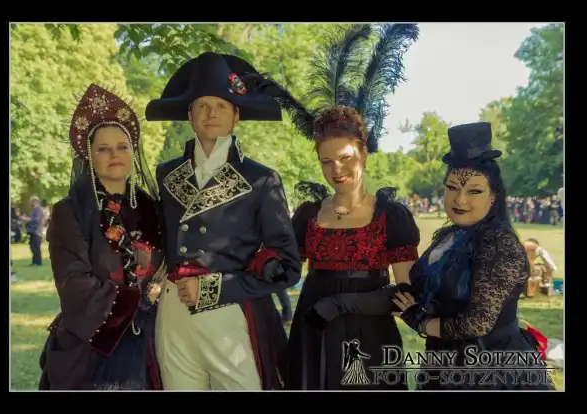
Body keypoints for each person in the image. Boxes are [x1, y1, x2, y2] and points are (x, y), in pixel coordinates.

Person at [254, 23, 420, 390]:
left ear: (364, 155)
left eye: (345, 158)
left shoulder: (391, 216)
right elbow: (285, 270)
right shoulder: (308, 215)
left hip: (369, 337)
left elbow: (408, 294)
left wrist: (345, 303)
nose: (337, 170)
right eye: (326, 161)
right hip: (312, 333)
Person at [145, 52, 301, 390]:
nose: (211, 113)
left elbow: (287, 266)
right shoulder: (166, 174)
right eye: (202, 105)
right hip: (173, 312)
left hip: (230, 311)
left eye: (221, 106)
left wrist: (212, 290)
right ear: (189, 114)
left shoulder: (261, 179)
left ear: (237, 116)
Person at [392, 122, 554, 390]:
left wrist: (419, 320)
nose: (460, 200)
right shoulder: (448, 235)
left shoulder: (500, 244)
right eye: (452, 187)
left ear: (494, 196)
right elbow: (428, 290)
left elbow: (476, 323)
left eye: (474, 191)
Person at [38, 84, 166, 390]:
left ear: (133, 151)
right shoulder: (70, 212)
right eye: (103, 149)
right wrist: (139, 302)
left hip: (156, 342)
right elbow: (74, 285)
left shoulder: (152, 208)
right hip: (93, 347)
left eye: (122, 146)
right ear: (89, 155)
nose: (115, 155)